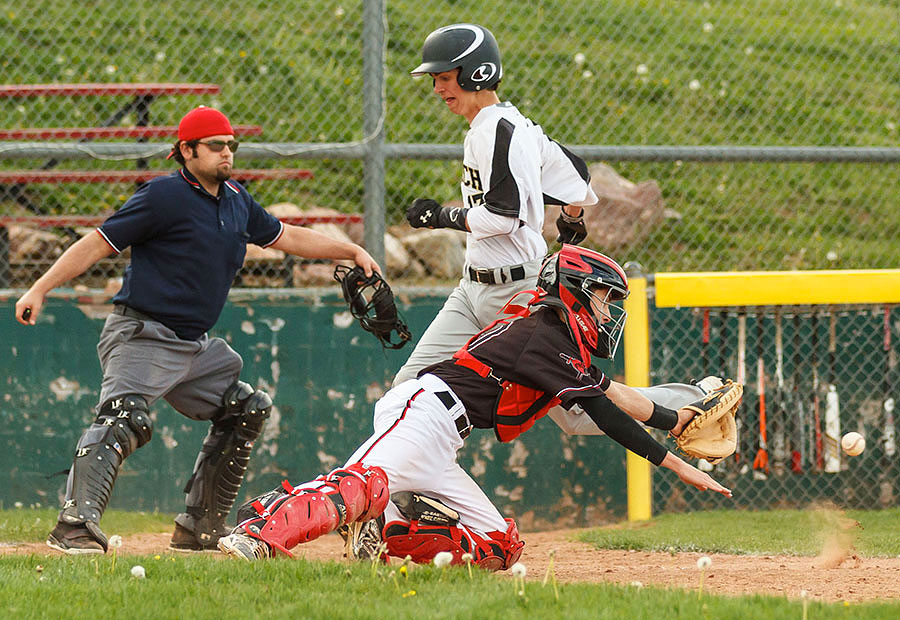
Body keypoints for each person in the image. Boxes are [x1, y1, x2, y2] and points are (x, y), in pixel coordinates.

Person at [216, 246, 733, 567]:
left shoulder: (557, 337)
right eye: (601, 297)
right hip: (425, 411)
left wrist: (675, 420)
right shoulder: (544, 334)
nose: (606, 310)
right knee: (362, 482)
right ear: (573, 291)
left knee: (498, 546)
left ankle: (388, 528)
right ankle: (262, 532)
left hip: (445, 437)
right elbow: (605, 416)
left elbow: (612, 395)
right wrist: (678, 465)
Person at [15, 105, 380, 555]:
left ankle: (199, 527)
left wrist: (349, 250)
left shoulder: (236, 199)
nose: (227, 153)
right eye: (215, 145)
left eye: (231, 145)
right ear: (186, 151)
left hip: (194, 346)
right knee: (123, 417)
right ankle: (73, 527)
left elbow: (285, 236)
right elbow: (98, 242)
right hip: (142, 332)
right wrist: (39, 289)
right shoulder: (161, 197)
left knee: (245, 408)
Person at [397, 22, 720, 433]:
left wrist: (439, 217)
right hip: (472, 289)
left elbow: (502, 217)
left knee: (575, 412)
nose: (439, 89)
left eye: (445, 77)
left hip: (516, 293)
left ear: (474, 73)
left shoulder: (501, 130)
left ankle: (696, 400)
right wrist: (570, 219)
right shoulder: (512, 126)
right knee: (409, 390)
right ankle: (408, 493)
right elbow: (577, 178)